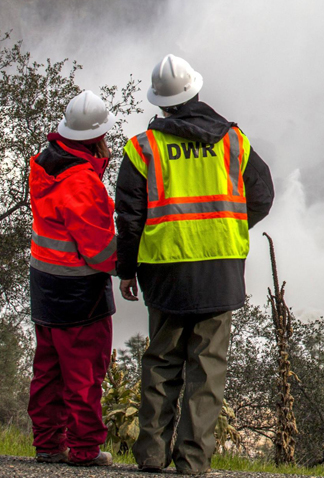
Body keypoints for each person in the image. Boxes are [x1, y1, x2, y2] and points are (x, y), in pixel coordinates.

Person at [116, 54, 274, 475]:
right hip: (219, 273)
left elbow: (129, 221)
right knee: (207, 370)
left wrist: (126, 270)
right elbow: (262, 196)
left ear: (160, 103)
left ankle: (151, 455)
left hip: (165, 272)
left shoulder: (142, 150)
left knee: (161, 363)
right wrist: (227, 226)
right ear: (197, 92)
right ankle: (192, 462)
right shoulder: (233, 141)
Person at [27, 90, 118, 467]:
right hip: (79, 294)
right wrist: (131, 258)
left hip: (45, 284)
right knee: (84, 373)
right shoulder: (82, 182)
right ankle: (84, 450)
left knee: (47, 370)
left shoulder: (45, 164)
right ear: (97, 138)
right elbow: (99, 254)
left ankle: (48, 444)